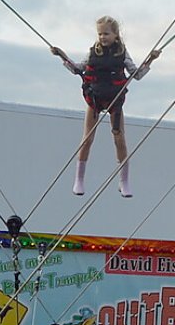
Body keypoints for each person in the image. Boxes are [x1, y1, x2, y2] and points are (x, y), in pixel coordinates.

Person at [50, 16, 160, 196]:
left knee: (119, 139)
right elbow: (78, 69)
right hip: (95, 98)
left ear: (116, 35)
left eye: (106, 34)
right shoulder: (93, 52)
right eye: (100, 34)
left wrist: (151, 60)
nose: (102, 37)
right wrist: (62, 56)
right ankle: (79, 179)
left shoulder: (122, 53)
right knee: (87, 139)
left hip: (114, 99)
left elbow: (137, 74)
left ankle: (124, 181)